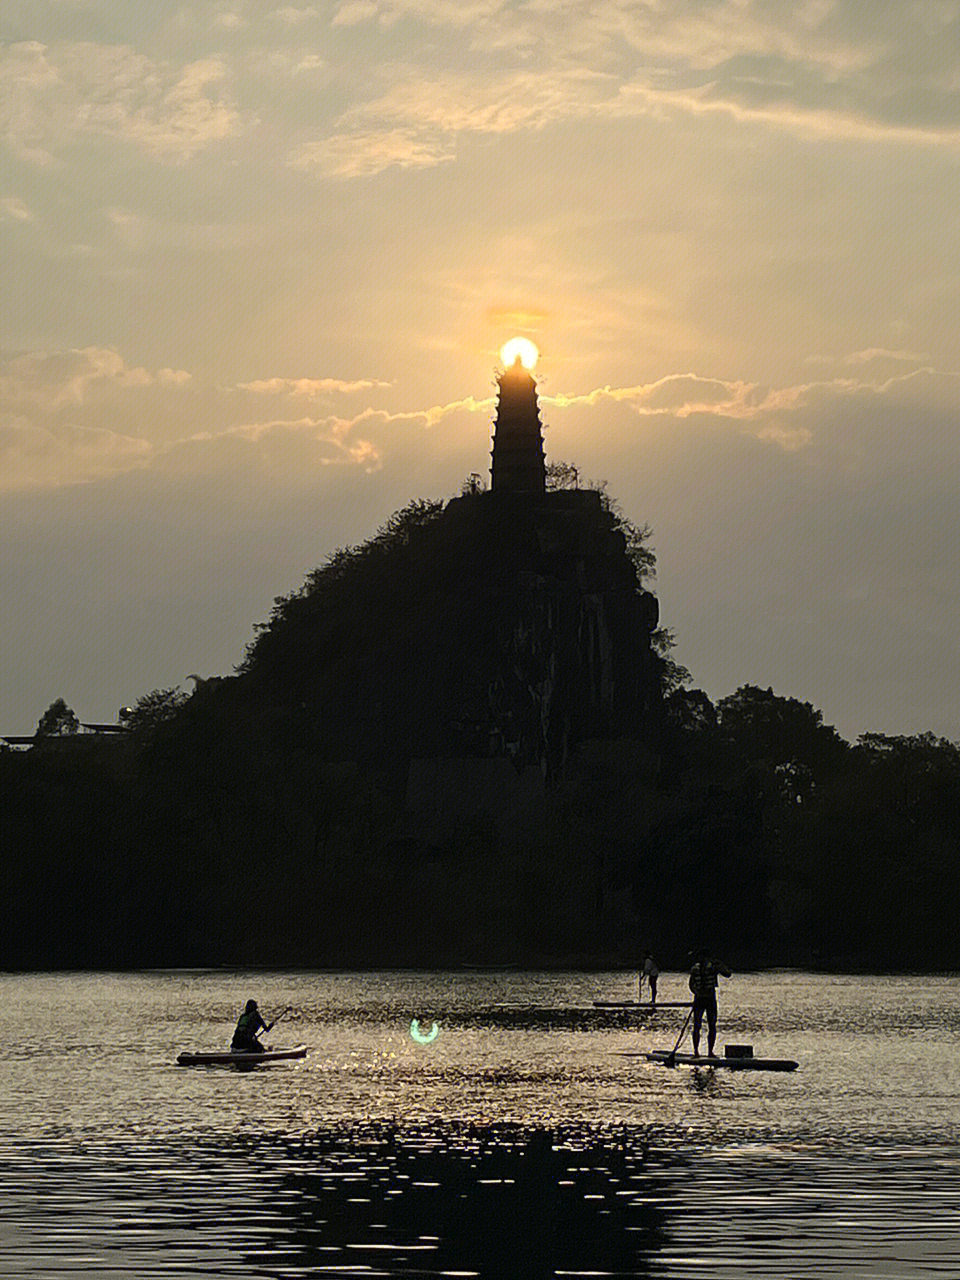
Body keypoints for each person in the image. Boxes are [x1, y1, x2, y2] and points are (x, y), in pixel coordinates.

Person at [688, 949, 732, 1058]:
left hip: (708, 999)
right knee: (697, 1026)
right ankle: (696, 1052)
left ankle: (709, 1052)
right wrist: (697, 992)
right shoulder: (696, 968)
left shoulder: (712, 967)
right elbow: (691, 984)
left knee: (711, 1025)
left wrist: (719, 965)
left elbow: (727, 974)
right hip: (700, 999)